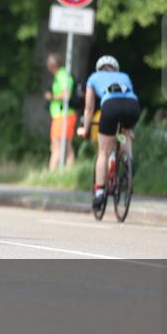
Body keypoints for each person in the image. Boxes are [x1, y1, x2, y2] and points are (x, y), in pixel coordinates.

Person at [77, 55, 140, 213]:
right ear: (115, 69)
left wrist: (85, 129)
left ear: (99, 68)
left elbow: (89, 109)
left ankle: (99, 192)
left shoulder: (93, 77)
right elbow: (127, 94)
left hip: (111, 106)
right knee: (125, 131)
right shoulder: (124, 76)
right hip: (132, 106)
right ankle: (128, 159)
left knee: (103, 153)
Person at [44, 52, 76, 170]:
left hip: (64, 116)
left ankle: (53, 175)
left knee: (62, 147)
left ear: (52, 64)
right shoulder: (59, 75)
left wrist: (51, 97)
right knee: (57, 147)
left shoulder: (62, 75)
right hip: (59, 116)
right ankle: (57, 175)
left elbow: (66, 94)